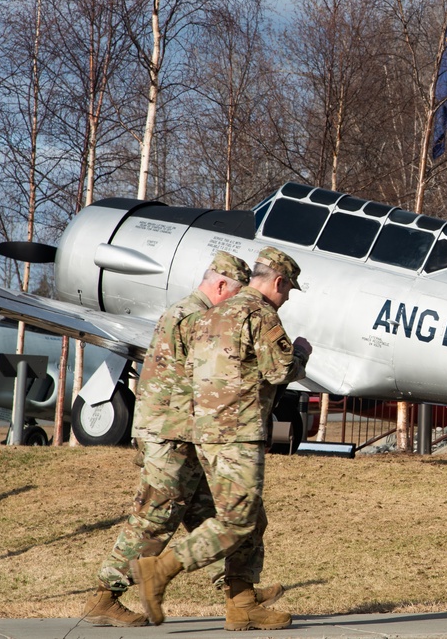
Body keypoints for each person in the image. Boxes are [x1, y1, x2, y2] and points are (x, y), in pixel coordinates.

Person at [81, 251, 283, 627]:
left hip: (188, 431)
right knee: (156, 517)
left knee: (235, 515)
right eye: (236, 293)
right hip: (173, 433)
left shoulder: (193, 313)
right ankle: (105, 596)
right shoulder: (197, 316)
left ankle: (241, 595)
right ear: (220, 285)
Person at [130, 246, 312, 631]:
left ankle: (242, 602)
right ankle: (159, 571)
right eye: (288, 290)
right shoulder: (260, 313)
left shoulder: (210, 316)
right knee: (237, 519)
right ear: (278, 282)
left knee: (251, 517)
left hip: (205, 432)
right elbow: (279, 371)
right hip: (238, 432)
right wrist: (300, 354)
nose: (287, 298)